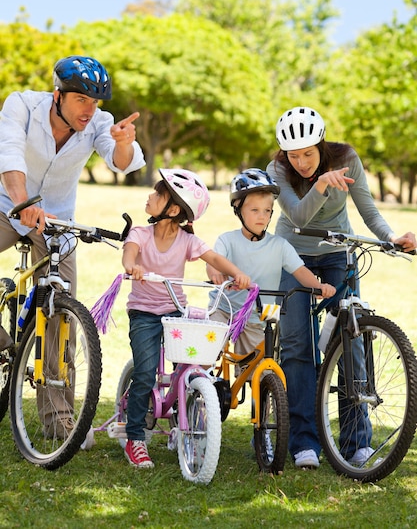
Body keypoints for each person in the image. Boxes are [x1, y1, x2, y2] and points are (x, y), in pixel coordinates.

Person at [0, 55, 146, 434]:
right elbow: (10, 153)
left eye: (95, 101)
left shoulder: (98, 123)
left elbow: (120, 161)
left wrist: (125, 144)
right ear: (57, 95)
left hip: (56, 222)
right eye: (81, 99)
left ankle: (58, 419)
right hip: (7, 205)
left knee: (60, 313)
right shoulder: (22, 105)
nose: (89, 109)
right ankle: (4, 348)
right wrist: (24, 203)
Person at [266, 106, 417, 469]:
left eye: (307, 153)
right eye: (293, 155)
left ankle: (355, 442)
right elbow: (297, 216)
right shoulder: (277, 170)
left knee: (351, 343)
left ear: (321, 144)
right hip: (293, 259)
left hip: (338, 254)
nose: (301, 162)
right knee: (299, 347)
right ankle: (304, 442)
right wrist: (319, 185)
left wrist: (391, 237)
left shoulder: (347, 158)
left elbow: (368, 209)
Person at [122, 168, 251, 468]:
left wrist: (237, 274)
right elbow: (129, 253)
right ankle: (135, 439)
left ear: (173, 209)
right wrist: (132, 267)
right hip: (143, 313)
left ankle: (182, 420)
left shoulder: (186, 240)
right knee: (144, 373)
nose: (150, 196)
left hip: (175, 311)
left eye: (157, 193)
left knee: (189, 367)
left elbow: (214, 258)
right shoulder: (140, 233)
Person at [206, 168, 335, 366]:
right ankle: (200, 387)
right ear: (238, 210)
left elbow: (300, 270)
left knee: (258, 371)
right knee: (206, 354)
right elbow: (214, 261)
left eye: (267, 211)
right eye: (255, 210)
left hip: (258, 317)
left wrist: (319, 287)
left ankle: (260, 395)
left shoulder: (280, 245)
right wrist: (215, 274)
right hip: (224, 309)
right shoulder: (227, 240)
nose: (262, 216)